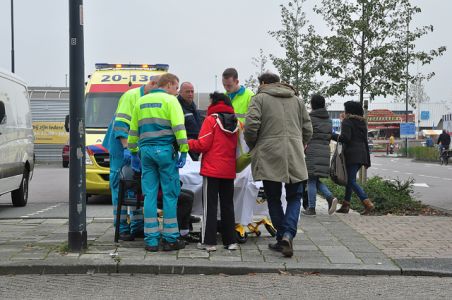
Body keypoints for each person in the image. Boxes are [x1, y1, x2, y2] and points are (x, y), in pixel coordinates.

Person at [244, 72, 313, 258]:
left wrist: (255, 146)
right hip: (294, 153)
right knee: (295, 196)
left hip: (269, 154)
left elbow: (250, 127)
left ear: (263, 83)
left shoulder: (259, 99)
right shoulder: (297, 101)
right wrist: (299, 143)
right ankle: (288, 234)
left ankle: (282, 236)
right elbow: (308, 129)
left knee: (273, 198)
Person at [128, 73, 188, 252]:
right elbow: (179, 128)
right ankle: (170, 238)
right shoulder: (171, 102)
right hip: (165, 152)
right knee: (170, 194)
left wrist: (133, 151)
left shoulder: (141, 102)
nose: (176, 92)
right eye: (176, 88)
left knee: (150, 195)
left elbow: (133, 130)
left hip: (145, 153)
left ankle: (151, 240)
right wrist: (184, 151)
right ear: (168, 84)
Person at [103, 75, 160, 241]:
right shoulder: (131, 96)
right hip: (121, 148)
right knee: (120, 184)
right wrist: (127, 148)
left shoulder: (149, 97)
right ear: (152, 84)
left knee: (135, 185)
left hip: (135, 148)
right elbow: (121, 124)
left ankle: (137, 226)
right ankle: (121, 228)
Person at [188, 92, 239, 252]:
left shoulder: (211, 120)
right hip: (229, 169)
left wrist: (187, 143)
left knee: (210, 206)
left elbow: (203, 144)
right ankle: (230, 241)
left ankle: (209, 242)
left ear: (214, 103)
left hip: (212, 169)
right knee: (228, 206)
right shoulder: (236, 122)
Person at [333, 101, 375, 215]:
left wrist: (332, 135)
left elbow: (345, 138)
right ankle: (346, 205)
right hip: (361, 155)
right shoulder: (362, 123)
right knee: (349, 180)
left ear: (349, 110)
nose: (344, 111)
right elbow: (364, 141)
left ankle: (367, 202)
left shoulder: (347, 121)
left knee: (350, 181)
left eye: (345, 109)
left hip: (352, 155)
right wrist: (367, 160)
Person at [303, 94, 338, 216]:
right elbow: (329, 136)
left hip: (312, 150)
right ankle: (330, 198)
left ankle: (312, 208)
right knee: (315, 178)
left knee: (311, 180)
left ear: (312, 104)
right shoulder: (328, 120)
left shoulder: (309, 118)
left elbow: (305, 134)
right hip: (324, 150)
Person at [177, 82, 202, 160]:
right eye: (187, 91)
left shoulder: (193, 107)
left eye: (192, 91)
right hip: (185, 147)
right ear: (180, 92)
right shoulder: (177, 107)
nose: (190, 94)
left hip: (196, 146)